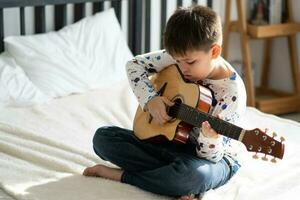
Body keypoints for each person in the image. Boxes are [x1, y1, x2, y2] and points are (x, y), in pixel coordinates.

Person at [83, 5, 247, 200]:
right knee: (103, 138)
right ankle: (173, 181)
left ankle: (122, 176)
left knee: (193, 175)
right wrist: (150, 99)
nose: (182, 67)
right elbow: (134, 65)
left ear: (214, 51)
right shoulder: (181, 54)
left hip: (213, 158)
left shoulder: (232, 94)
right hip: (171, 143)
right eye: (177, 61)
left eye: (190, 62)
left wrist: (210, 138)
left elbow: (211, 158)